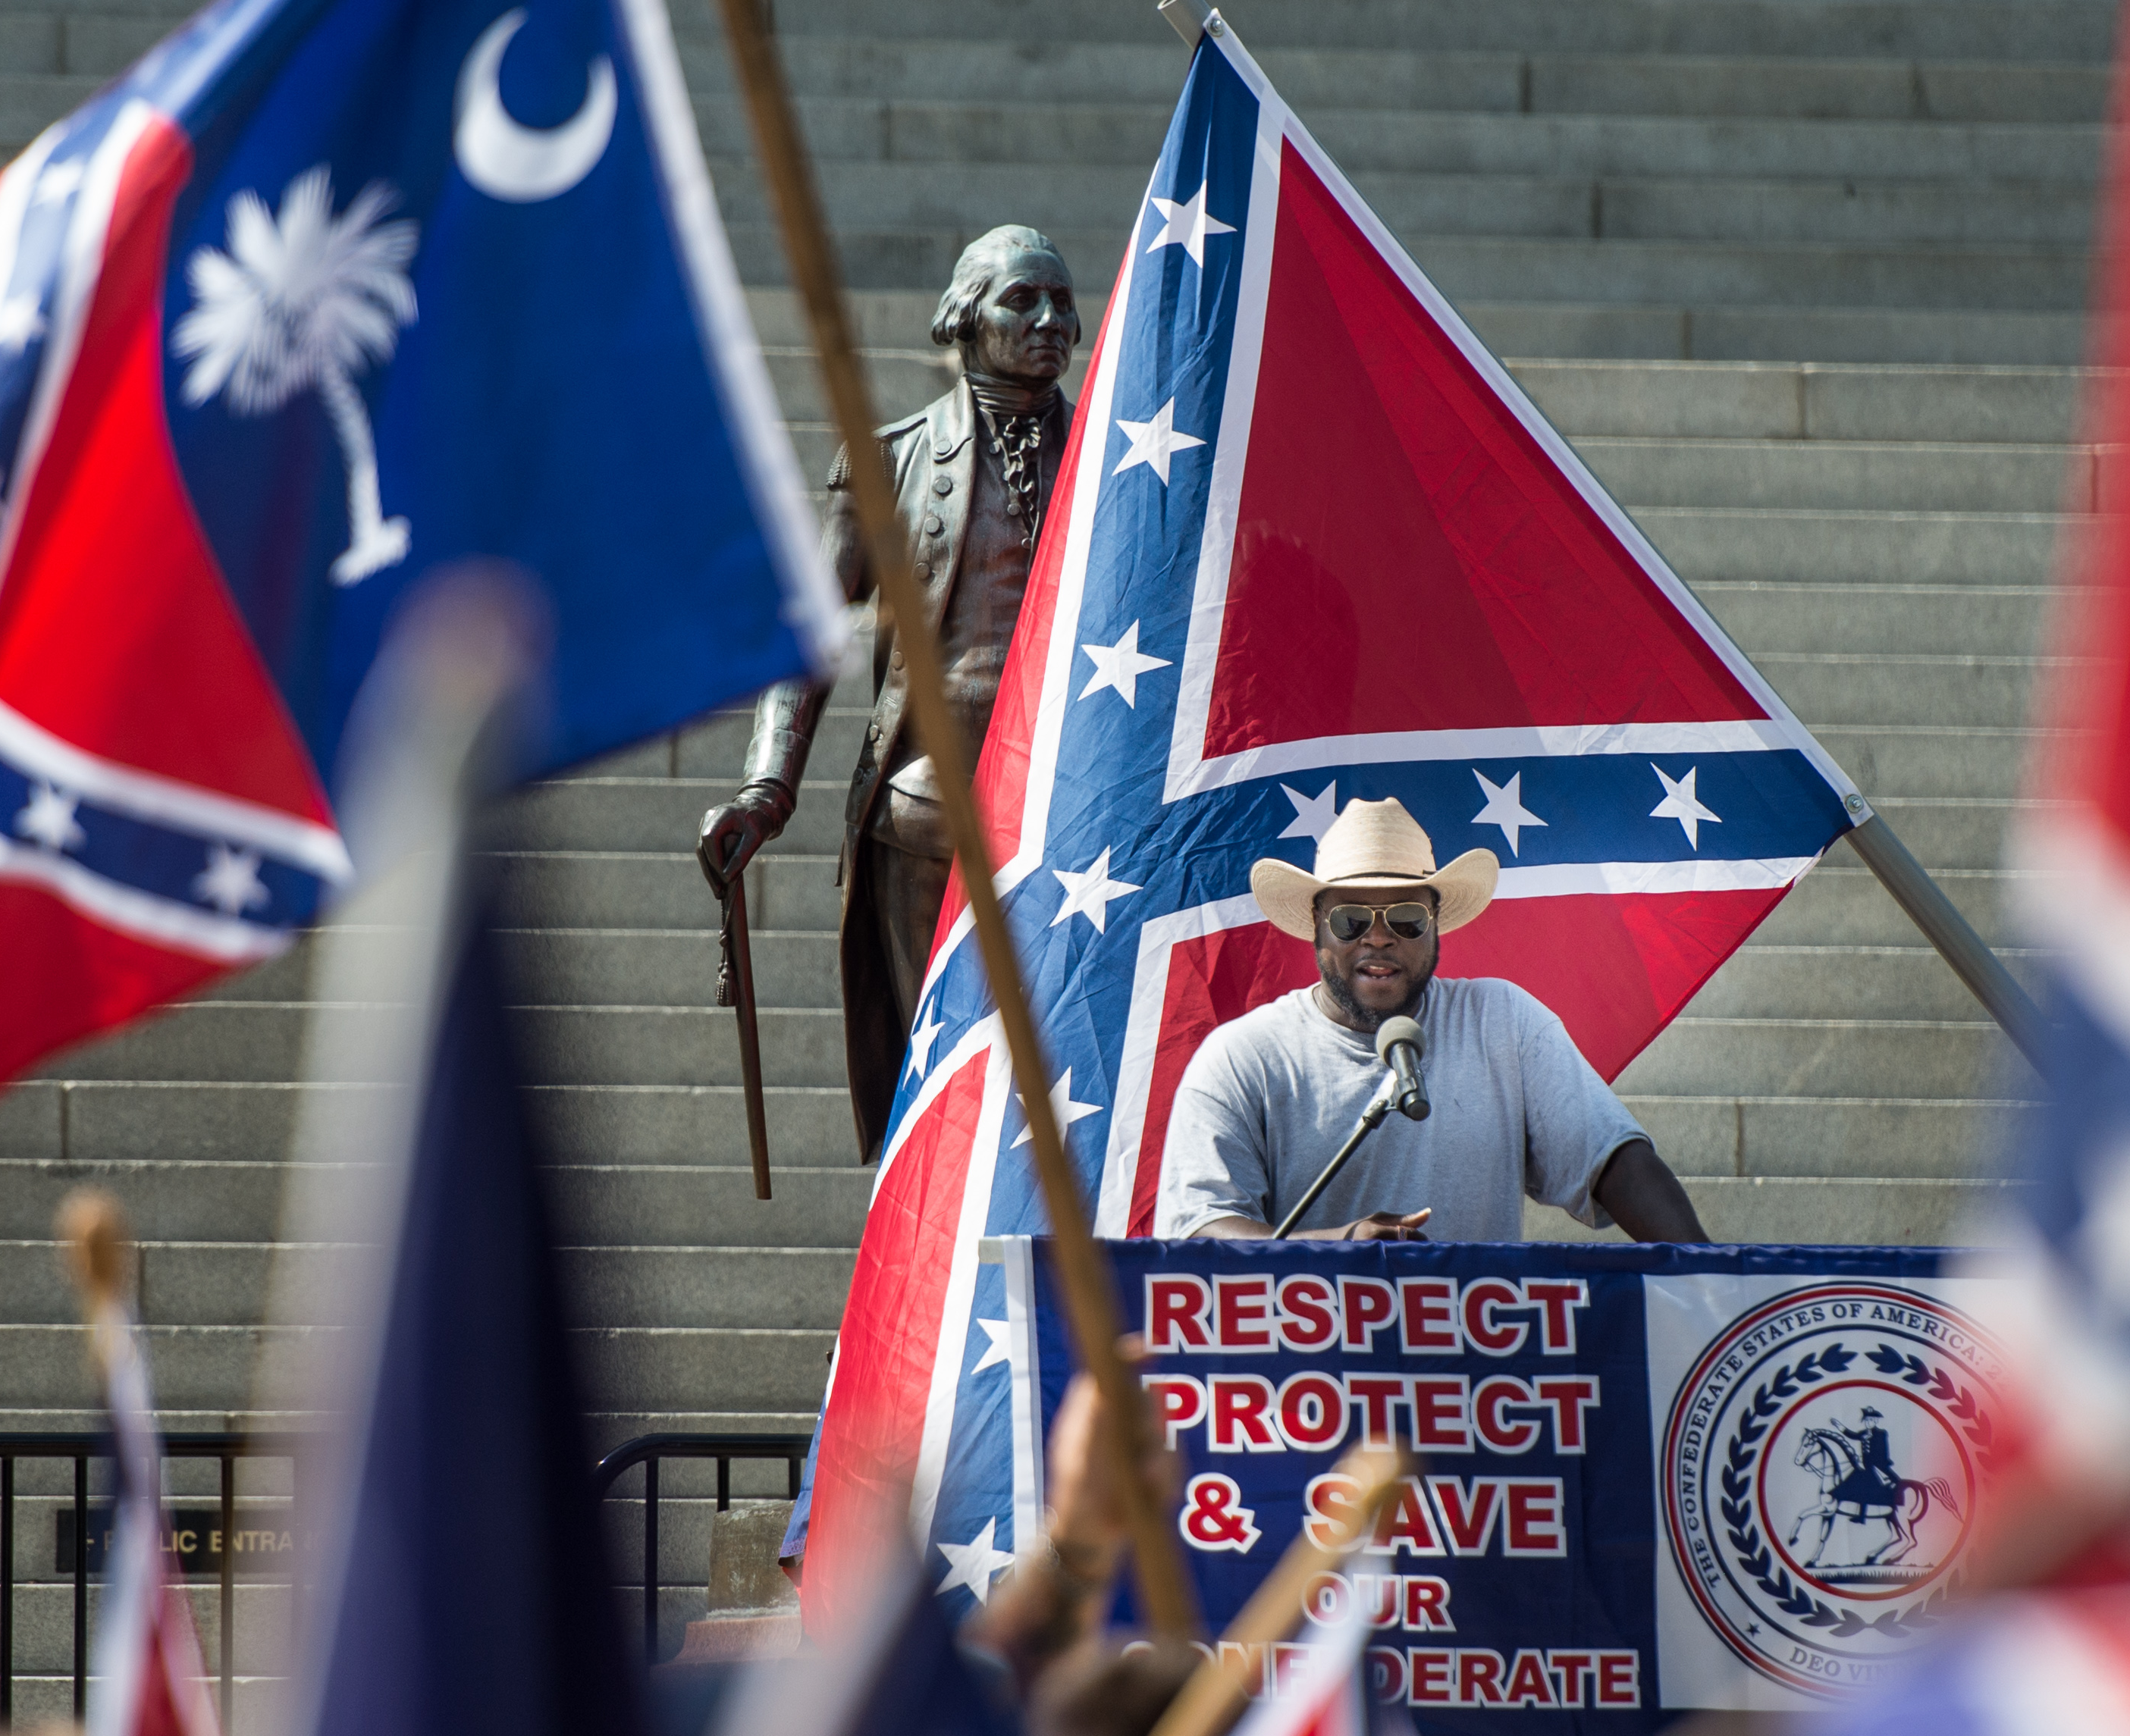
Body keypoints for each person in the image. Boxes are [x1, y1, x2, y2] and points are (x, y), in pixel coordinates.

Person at [697, 225, 1081, 1159]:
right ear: (963, 316)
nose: (1051, 321)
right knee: (945, 1077)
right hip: (926, 816)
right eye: (1021, 299)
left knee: (1080, 1088)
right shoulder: (889, 461)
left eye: (1063, 303)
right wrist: (767, 786)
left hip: (1080, 808)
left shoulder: (1124, 449)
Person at [1153, 798, 1708, 1244]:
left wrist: (1714, 1280)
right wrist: (1341, 1243)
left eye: (1406, 919)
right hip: (1311, 1373)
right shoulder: (1244, 1055)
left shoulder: (1503, 1021)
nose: (1377, 936)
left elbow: (1614, 1163)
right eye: (1350, 919)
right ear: (1316, 929)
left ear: (1437, 926)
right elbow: (1201, 1233)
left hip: (1476, 1370)